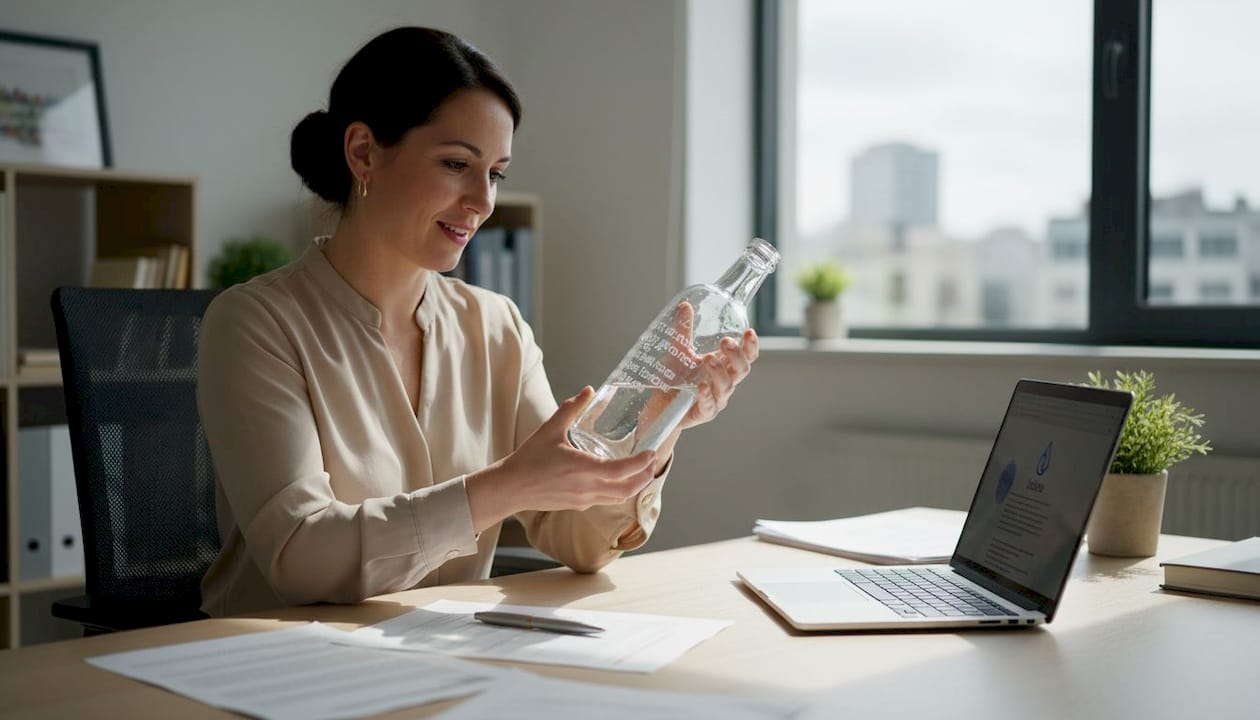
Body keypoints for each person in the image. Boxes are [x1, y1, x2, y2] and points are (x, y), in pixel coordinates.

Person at [196, 26, 760, 616]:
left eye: (495, 173)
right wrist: (506, 485)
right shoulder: (254, 323)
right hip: (274, 669)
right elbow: (300, 556)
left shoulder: (496, 327)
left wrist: (658, 416)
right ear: (363, 151)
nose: (483, 201)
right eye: (456, 163)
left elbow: (579, 538)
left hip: (445, 664)